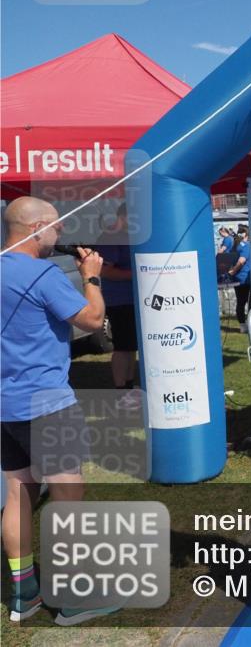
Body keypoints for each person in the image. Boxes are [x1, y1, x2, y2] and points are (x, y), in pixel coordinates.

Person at [1, 197, 117, 625]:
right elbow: (91, 319)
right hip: (46, 402)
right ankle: (76, 598)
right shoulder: (41, 273)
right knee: (69, 496)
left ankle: (23, 594)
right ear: (37, 229)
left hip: (6, 406)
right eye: (56, 228)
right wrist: (93, 278)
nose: (60, 236)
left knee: (18, 494)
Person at [94, 203, 142, 409]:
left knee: (131, 347)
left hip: (133, 300)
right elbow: (104, 271)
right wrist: (137, 274)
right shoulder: (111, 237)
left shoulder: (129, 236)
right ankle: (121, 392)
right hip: (120, 300)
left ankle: (130, 388)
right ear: (123, 216)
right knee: (122, 347)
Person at [226, 228, 251, 332]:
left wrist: (232, 272)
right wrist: (233, 271)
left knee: (240, 302)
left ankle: (242, 325)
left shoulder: (234, 246)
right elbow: (241, 261)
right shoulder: (245, 246)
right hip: (245, 278)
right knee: (250, 302)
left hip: (237, 279)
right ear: (246, 235)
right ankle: (249, 325)